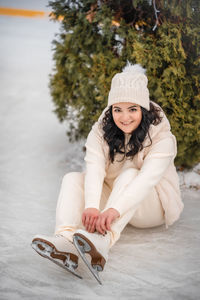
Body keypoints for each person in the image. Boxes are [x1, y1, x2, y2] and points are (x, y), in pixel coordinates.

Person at [31, 63, 184, 284]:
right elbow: (94, 166)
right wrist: (92, 206)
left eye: (133, 109)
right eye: (117, 109)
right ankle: (65, 241)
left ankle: (103, 241)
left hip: (152, 206)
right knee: (72, 178)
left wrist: (113, 210)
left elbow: (146, 179)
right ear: (111, 109)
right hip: (114, 196)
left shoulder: (162, 137)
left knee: (130, 173)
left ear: (143, 109)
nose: (125, 117)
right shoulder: (101, 130)